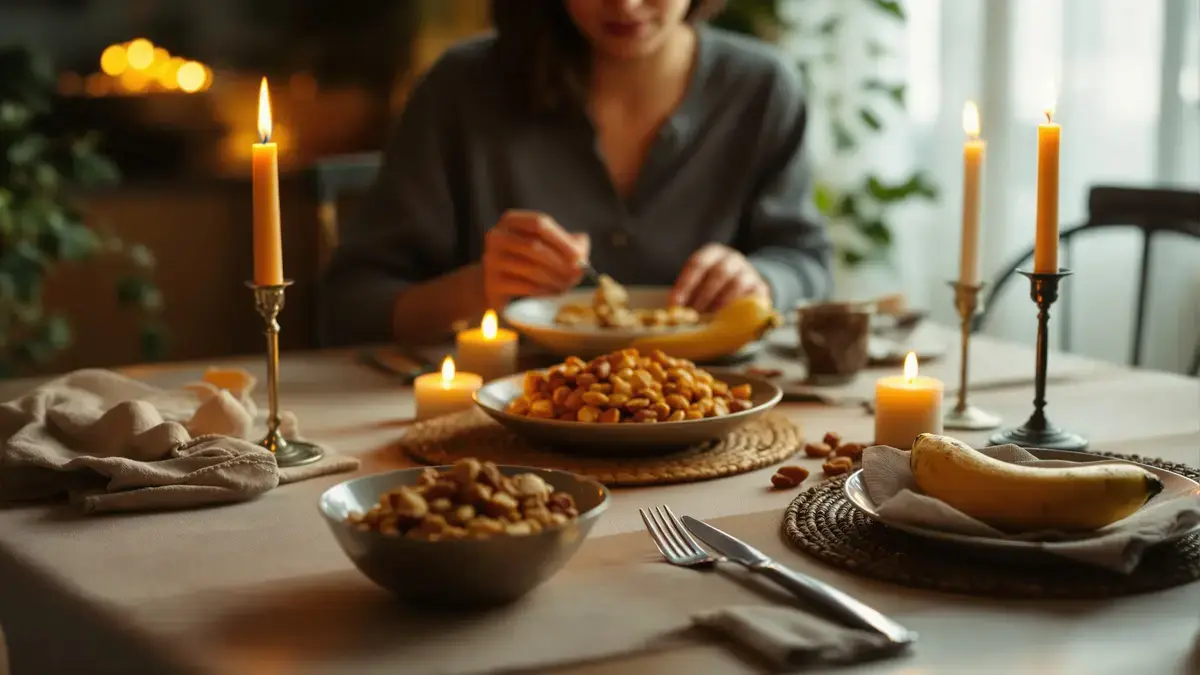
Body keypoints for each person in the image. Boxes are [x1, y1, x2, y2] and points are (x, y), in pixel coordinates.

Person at [320, 0, 833, 347]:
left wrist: (762, 280)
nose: (626, 3)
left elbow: (807, 264)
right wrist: (479, 291)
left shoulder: (761, 88)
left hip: (713, 415)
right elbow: (346, 308)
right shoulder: (461, 90)